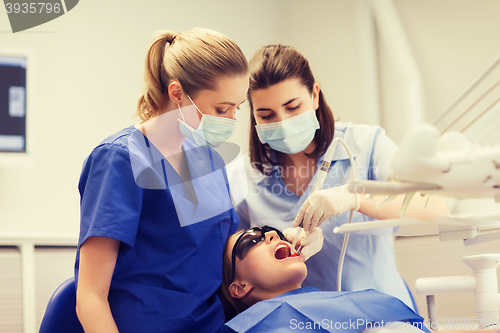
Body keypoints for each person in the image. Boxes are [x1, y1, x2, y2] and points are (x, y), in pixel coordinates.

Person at [234, 44, 451, 310]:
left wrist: (354, 198)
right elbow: (238, 265)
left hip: (381, 316)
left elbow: (435, 207)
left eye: (292, 107)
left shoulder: (365, 145)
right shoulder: (246, 176)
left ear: (314, 95)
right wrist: (286, 244)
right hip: (307, 321)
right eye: (266, 115)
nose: (283, 122)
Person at [75, 28, 249, 333]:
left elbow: (221, 253)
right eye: (221, 109)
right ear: (177, 93)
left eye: (237, 108)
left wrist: (286, 239)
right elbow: (90, 297)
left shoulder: (210, 162)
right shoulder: (120, 159)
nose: (231, 121)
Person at [218, 227, 430, 333]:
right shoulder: (256, 327)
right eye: (251, 240)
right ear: (239, 288)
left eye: (269, 230)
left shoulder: (336, 303)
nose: (273, 234)